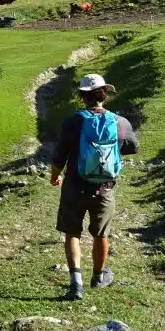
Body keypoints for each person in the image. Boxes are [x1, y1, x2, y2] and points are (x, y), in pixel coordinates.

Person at [48, 73, 139, 300]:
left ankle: (75, 283)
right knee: (101, 233)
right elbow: (132, 147)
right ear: (104, 94)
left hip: (75, 185)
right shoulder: (120, 121)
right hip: (105, 187)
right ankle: (99, 277)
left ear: (82, 96)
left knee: (72, 232)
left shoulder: (73, 121)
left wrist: (55, 176)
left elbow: (59, 155)